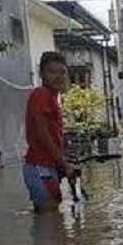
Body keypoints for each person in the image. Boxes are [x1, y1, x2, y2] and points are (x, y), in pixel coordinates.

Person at [23, 51, 75, 212]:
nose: (58, 76)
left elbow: (53, 137)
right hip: (40, 168)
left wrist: (61, 166)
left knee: (51, 225)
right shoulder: (42, 94)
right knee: (50, 223)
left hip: (45, 167)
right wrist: (64, 164)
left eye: (62, 72)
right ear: (41, 73)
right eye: (52, 72)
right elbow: (42, 134)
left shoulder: (51, 99)